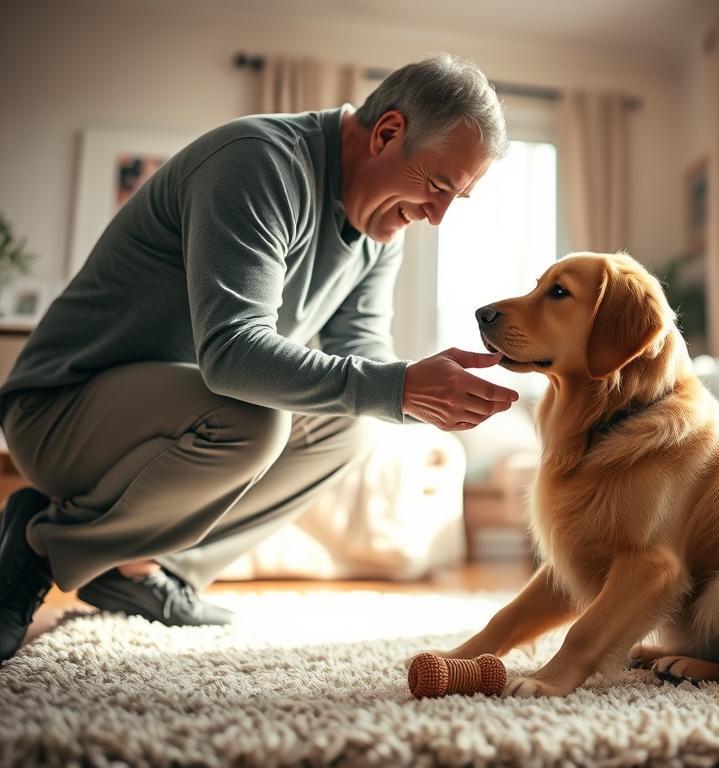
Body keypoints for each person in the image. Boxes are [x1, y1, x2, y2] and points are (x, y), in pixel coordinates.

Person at [0, 54, 519, 663]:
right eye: (436, 186)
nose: (437, 217)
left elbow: (364, 365)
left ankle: (136, 572)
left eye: (456, 197)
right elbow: (231, 355)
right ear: (387, 133)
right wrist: (398, 386)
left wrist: (423, 394)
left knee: (348, 429)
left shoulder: (380, 235)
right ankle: (42, 544)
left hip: (152, 421)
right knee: (253, 418)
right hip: (57, 411)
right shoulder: (260, 162)